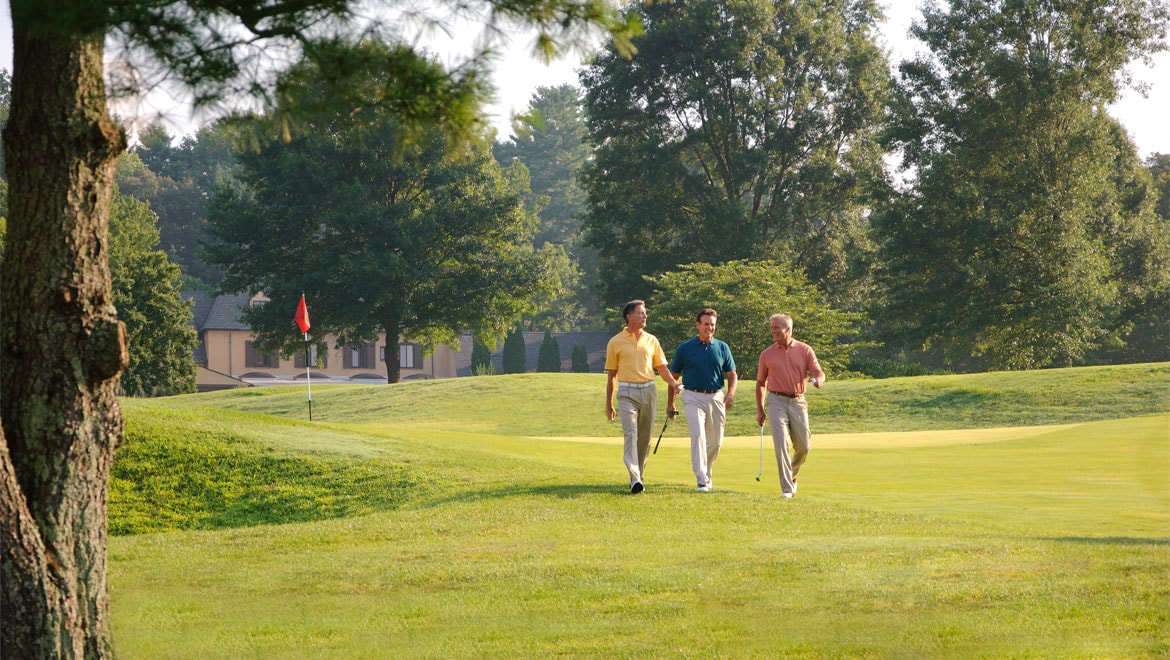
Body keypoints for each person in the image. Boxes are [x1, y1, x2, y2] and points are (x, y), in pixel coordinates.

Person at [605, 300, 683, 494]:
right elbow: (612, 376)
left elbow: (662, 368)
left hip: (649, 391)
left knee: (645, 437)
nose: (645, 316)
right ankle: (635, 478)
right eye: (641, 313)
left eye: (645, 313)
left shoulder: (652, 340)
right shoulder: (615, 342)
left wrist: (673, 384)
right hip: (626, 393)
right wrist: (609, 403)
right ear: (629, 316)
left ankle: (639, 474)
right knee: (630, 434)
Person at [666, 308, 737, 492]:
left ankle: (707, 471)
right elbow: (673, 377)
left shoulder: (722, 347)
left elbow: (731, 374)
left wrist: (730, 394)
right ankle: (702, 480)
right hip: (692, 395)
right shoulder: (685, 348)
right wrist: (670, 403)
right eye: (706, 324)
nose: (709, 328)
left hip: (716, 396)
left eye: (712, 325)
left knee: (716, 442)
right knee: (698, 436)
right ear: (698, 325)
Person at [755, 313, 826, 498]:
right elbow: (761, 383)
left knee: (804, 447)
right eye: (771, 328)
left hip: (798, 401)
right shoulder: (766, 354)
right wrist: (760, 409)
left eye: (776, 328)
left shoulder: (804, 350)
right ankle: (787, 489)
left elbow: (818, 371)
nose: (773, 331)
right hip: (775, 400)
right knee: (781, 443)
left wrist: (819, 380)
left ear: (788, 329)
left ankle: (792, 474)